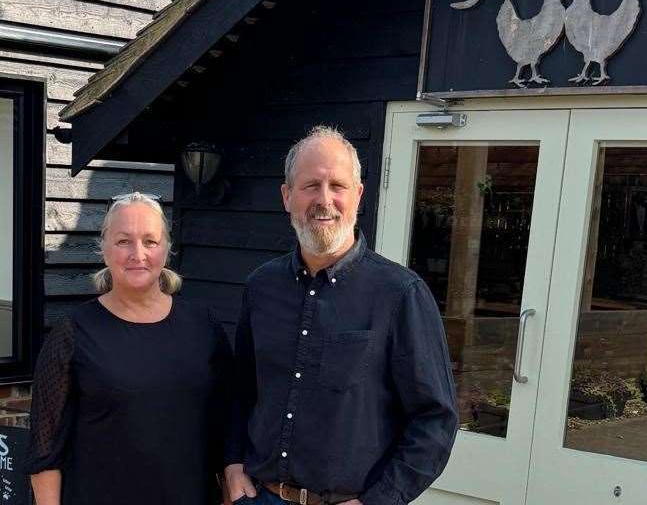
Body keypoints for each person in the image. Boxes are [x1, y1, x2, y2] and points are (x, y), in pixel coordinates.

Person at [224, 126, 458, 505]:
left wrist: (380, 500)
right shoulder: (261, 287)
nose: (325, 199)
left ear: (358, 195)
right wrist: (232, 463)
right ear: (287, 197)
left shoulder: (399, 295)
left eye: (338, 185)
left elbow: (436, 419)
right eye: (311, 186)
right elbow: (243, 389)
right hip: (261, 496)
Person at [26, 192, 232, 505]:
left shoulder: (203, 325)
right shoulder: (72, 332)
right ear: (104, 249)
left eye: (150, 241)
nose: (138, 253)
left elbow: (226, 426)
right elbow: (45, 449)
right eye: (123, 241)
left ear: (166, 249)